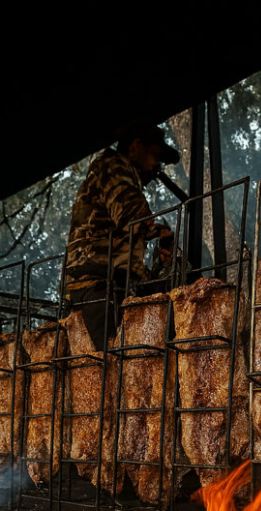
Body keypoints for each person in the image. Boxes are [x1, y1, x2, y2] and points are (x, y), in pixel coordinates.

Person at [64, 120, 180, 349]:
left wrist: (156, 266)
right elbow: (132, 215)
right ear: (136, 147)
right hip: (97, 287)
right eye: (155, 156)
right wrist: (158, 230)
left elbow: (128, 237)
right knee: (112, 368)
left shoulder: (118, 173)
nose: (157, 166)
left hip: (109, 285)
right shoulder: (113, 166)